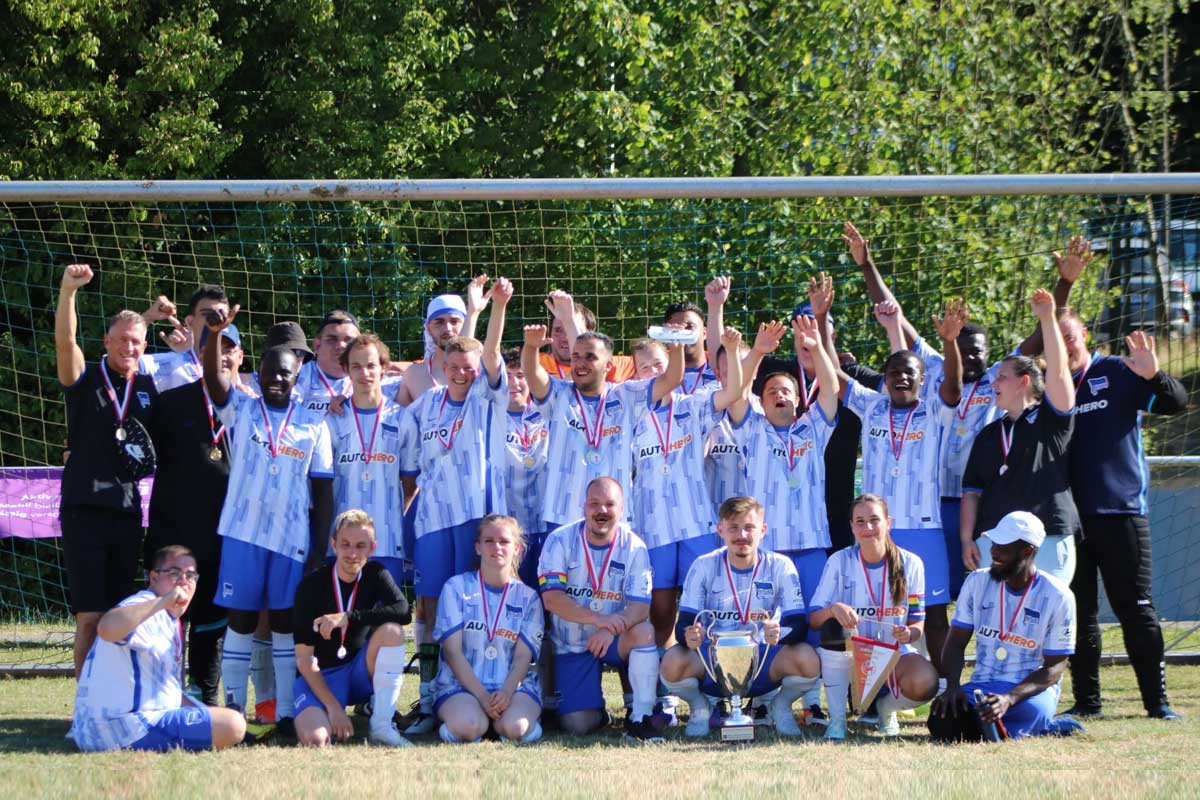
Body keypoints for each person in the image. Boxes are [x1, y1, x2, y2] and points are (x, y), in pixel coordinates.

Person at [842, 225, 1093, 603]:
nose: (972, 356)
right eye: (964, 348)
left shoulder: (1000, 379)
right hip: (927, 503)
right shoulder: (932, 368)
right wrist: (866, 264)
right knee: (926, 596)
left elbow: (1041, 339)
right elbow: (894, 313)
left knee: (980, 592)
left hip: (977, 499)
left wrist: (1064, 284)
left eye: (979, 350)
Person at [201, 304, 335, 735]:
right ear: (257, 372)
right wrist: (217, 336)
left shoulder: (314, 424)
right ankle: (234, 710)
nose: (278, 378)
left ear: (298, 377)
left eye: (287, 373)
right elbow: (213, 382)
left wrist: (318, 551)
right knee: (240, 622)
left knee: (282, 626)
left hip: (291, 540)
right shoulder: (241, 408)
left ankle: (283, 716)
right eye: (271, 371)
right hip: (243, 534)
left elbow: (324, 494)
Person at [1061, 317, 1189, 721]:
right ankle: (1087, 703)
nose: (1064, 345)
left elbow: (1175, 403)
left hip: (1121, 513)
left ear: (1084, 336)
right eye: (1056, 339)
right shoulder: (1054, 386)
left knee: (1136, 608)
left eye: (1069, 336)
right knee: (1080, 613)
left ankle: (1157, 703)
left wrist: (1155, 376)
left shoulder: (1116, 370)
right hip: (1071, 522)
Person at [399, 278, 512, 734]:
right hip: (432, 521)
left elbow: (488, 354)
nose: (463, 372)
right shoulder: (422, 406)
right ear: (441, 365)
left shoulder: (489, 397)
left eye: (470, 366)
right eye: (455, 366)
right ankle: (429, 698)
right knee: (428, 606)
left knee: (478, 605)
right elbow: (408, 470)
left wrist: (494, 309)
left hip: (476, 519)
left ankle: (486, 688)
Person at [834, 295, 964, 675]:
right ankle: (875, 693)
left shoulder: (935, 409)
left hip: (925, 529)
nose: (901, 378)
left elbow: (954, 385)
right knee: (876, 610)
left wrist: (950, 342)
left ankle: (946, 690)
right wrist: (821, 325)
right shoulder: (872, 405)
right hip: (879, 532)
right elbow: (834, 377)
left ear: (922, 380)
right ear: (885, 380)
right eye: (894, 373)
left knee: (934, 616)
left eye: (910, 373)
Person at [55, 263, 159, 677]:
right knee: (89, 617)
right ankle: (83, 703)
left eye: (136, 342)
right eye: (121, 341)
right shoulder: (85, 377)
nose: (128, 348)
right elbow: (66, 343)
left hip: (127, 513)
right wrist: (68, 293)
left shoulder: (150, 389)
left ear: (144, 345)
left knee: (119, 618)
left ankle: (110, 696)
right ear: (106, 342)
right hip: (84, 508)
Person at [521, 292, 683, 532]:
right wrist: (531, 347)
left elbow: (671, 378)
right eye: (576, 357)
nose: (580, 363)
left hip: (613, 517)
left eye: (590, 357)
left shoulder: (626, 396)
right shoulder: (559, 394)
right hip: (562, 513)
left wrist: (676, 347)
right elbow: (533, 376)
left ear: (608, 366)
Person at [660, 496, 821, 737]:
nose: (741, 535)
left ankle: (781, 705)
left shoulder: (780, 565)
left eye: (749, 527)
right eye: (733, 528)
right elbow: (685, 622)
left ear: (763, 530)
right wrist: (690, 636)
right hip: (713, 663)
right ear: (720, 530)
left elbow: (798, 623)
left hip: (763, 660)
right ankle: (699, 707)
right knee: (672, 662)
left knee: (807, 658)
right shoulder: (703, 565)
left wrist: (781, 633)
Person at [144, 323, 244, 705]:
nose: (221, 355)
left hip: (225, 534)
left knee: (213, 621)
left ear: (239, 357)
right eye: (212, 347)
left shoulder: (254, 407)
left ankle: (206, 694)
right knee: (168, 616)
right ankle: (160, 693)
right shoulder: (170, 402)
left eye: (229, 348)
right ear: (199, 355)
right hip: (175, 532)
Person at [632, 328, 743, 657]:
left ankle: (706, 678)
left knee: (702, 603)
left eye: (658, 365)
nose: (653, 373)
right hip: (653, 524)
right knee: (661, 607)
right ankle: (659, 681)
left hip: (695, 520)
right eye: (644, 368)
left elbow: (734, 390)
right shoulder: (629, 410)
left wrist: (733, 351)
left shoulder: (694, 405)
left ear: (673, 366)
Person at [70, 545, 246, 752]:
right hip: (122, 728)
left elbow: (170, 692)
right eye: (174, 573)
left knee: (225, 719)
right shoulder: (145, 605)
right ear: (153, 578)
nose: (183, 582)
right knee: (233, 725)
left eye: (191, 576)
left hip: (107, 728)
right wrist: (163, 602)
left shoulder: (168, 618)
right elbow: (106, 627)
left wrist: (206, 715)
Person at [729, 314, 839, 633]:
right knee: (771, 627)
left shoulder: (813, 427)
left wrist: (816, 348)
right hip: (768, 547)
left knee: (818, 623)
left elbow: (830, 390)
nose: (780, 396)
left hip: (812, 544)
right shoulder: (752, 429)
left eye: (786, 391)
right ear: (761, 402)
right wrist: (758, 352)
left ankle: (816, 680)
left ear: (797, 399)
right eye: (772, 392)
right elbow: (737, 394)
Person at [961, 289, 1079, 585]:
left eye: (1001, 377)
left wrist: (1047, 319)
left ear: (1024, 382)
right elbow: (972, 491)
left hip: (1048, 537)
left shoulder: (1051, 419)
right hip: (994, 539)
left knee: (1045, 619)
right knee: (998, 622)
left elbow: (1060, 372)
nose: (994, 383)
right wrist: (967, 539)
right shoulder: (989, 434)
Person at [931, 512, 1082, 740]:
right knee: (941, 719)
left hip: (1029, 693)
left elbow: (1055, 667)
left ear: (1028, 551)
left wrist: (1009, 698)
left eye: (1003, 547)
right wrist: (953, 687)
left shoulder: (1059, 596)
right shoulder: (976, 581)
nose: (993, 552)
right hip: (983, 686)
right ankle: (1011, 728)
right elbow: (955, 643)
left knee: (1033, 711)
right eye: (994, 543)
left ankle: (1038, 724)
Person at [536, 477, 663, 742]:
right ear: (583, 507)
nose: (601, 511)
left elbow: (640, 606)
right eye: (594, 503)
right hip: (572, 644)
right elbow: (553, 600)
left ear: (621, 510)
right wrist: (600, 620)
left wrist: (608, 629)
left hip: (614, 638)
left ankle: (641, 715)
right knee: (578, 725)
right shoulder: (559, 541)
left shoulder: (634, 547)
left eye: (609, 504)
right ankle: (598, 711)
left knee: (644, 631)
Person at [810, 494, 938, 740]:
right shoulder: (839, 561)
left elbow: (917, 623)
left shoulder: (912, 563)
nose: (867, 528)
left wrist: (909, 633)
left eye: (874, 520)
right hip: (849, 656)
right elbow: (814, 619)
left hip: (893, 656)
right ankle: (836, 722)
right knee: (831, 629)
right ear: (851, 526)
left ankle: (886, 709)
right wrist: (833, 609)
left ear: (888, 522)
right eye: (860, 521)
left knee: (926, 681)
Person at [292, 510, 412, 747]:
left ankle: (382, 726)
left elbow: (403, 611)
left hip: (358, 671)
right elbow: (304, 660)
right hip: (321, 676)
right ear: (333, 544)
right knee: (316, 739)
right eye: (345, 545)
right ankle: (328, 711)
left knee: (393, 632)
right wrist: (334, 709)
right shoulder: (311, 585)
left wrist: (347, 618)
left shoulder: (375, 573)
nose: (352, 553)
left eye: (360, 545)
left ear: (372, 547)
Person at [433, 515, 545, 744]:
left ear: (517, 548)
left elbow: (524, 657)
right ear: (477, 547)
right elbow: (453, 653)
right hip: (461, 686)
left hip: (512, 687)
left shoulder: (529, 598)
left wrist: (506, 692)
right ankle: (460, 727)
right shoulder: (456, 588)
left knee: (516, 728)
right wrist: (483, 696)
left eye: (504, 541)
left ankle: (517, 726)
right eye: (489, 541)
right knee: (470, 725)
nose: (497, 547)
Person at [326, 333, 412, 585]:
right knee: (342, 617)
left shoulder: (402, 418)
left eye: (371, 365)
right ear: (346, 370)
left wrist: (394, 509)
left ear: (383, 368)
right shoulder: (333, 419)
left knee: (384, 620)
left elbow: (410, 480)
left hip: (386, 539)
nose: (364, 373)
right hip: (341, 544)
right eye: (356, 366)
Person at [499, 348, 550, 588]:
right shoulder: (489, 416)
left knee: (546, 592)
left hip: (544, 522)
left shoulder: (547, 414)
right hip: (508, 526)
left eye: (520, 375)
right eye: (507, 376)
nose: (514, 383)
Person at [394, 276, 490, 405]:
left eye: (454, 321)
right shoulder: (414, 375)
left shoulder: (481, 370)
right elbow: (399, 422)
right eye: (439, 322)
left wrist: (473, 312)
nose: (448, 329)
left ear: (465, 323)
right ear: (428, 328)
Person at [137, 285, 235, 392]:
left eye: (222, 315)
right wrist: (148, 317)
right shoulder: (165, 365)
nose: (216, 320)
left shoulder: (236, 371)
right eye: (207, 314)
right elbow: (122, 360)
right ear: (190, 322)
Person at [540, 292, 638, 383]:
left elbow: (650, 361)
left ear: (590, 334)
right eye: (558, 330)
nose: (565, 338)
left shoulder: (607, 364)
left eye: (571, 328)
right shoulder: (535, 364)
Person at [294, 310, 360, 414]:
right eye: (332, 339)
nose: (341, 346)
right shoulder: (297, 375)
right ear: (317, 346)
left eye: (349, 340)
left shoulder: (372, 377)